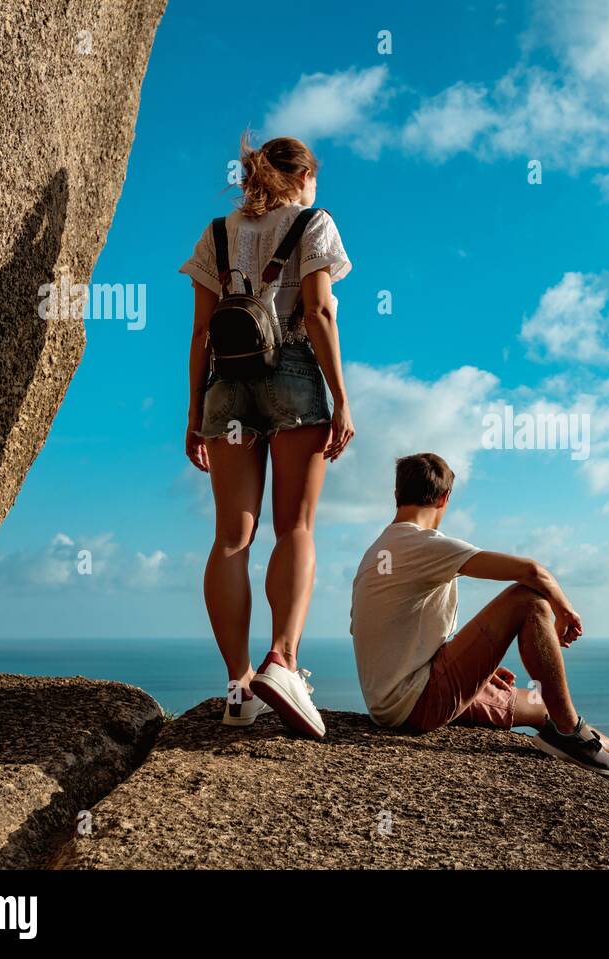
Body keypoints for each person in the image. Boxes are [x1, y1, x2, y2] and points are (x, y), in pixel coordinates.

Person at [350, 452, 609, 796]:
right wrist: (564, 610)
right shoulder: (421, 543)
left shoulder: (377, 552)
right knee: (527, 600)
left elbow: (393, 639)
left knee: (543, 704)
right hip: (418, 701)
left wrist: (475, 670)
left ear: (397, 495)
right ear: (445, 498)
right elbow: (531, 572)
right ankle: (568, 732)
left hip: (391, 704)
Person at [181, 134, 354, 738]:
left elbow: (202, 332)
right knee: (296, 526)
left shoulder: (217, 233)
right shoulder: (314, 222)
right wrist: (339, 397)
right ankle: (283, 661)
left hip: (225, 386)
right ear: (303, 178)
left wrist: (193, 412)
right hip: (293, 375)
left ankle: (238, 686)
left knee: (232, 537)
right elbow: (320, 310)